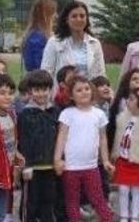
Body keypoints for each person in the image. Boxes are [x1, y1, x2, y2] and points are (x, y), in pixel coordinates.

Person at [53, 75, 114, 222]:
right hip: (71, 168)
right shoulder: (67, 114)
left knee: (98, 198)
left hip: (91, 167)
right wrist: (57, 159)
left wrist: (105, 160)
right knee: (72, 201)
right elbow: (61, 138)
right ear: (71, 95)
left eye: (87, 88)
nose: (84, 92)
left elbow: (103, 139)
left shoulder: (98, 114)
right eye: (79, 90)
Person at [17, 70, 62, 222]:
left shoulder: (55, 112)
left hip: (50, 166)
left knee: (48, 202)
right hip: (32, 168)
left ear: (50, 90)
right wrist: (26, 165)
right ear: (30, 91)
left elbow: (60, 139)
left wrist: (60, 159)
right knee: (30, 203)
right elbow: (24, 141)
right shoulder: (25, 114)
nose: (41, 94)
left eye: (44, 90)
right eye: (37, 90)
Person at [0, 74, 24, 222]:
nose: (7, 97)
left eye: (10, 93)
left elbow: (12, 140)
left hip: (9, 169)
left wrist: (17, 153)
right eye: (2, 93)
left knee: (2, 209)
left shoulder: (11, 115)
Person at [112, 87, 139, 222]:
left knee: (137, 189)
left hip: (138, 160)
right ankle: (124, 216)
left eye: (131, 99)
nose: (127, 102)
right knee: (123, 189)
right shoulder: (123, 117)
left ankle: (135, 216)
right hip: (123, 160)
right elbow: (118, 137)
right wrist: (114, 153)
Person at [41, 1, 106, 82]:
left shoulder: (95, 44)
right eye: (74, 16)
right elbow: (46, 73)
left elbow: (100, 74)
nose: (78, 19)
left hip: (88, 92)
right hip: (62, 93)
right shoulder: (54, 43)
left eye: (82, 16)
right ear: (66, 20)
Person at [22, 0, 58, 73]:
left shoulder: (41, 35)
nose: (56, 16)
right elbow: (35, 65)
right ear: (46, 15)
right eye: (53, 12)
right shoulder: (36, 38)